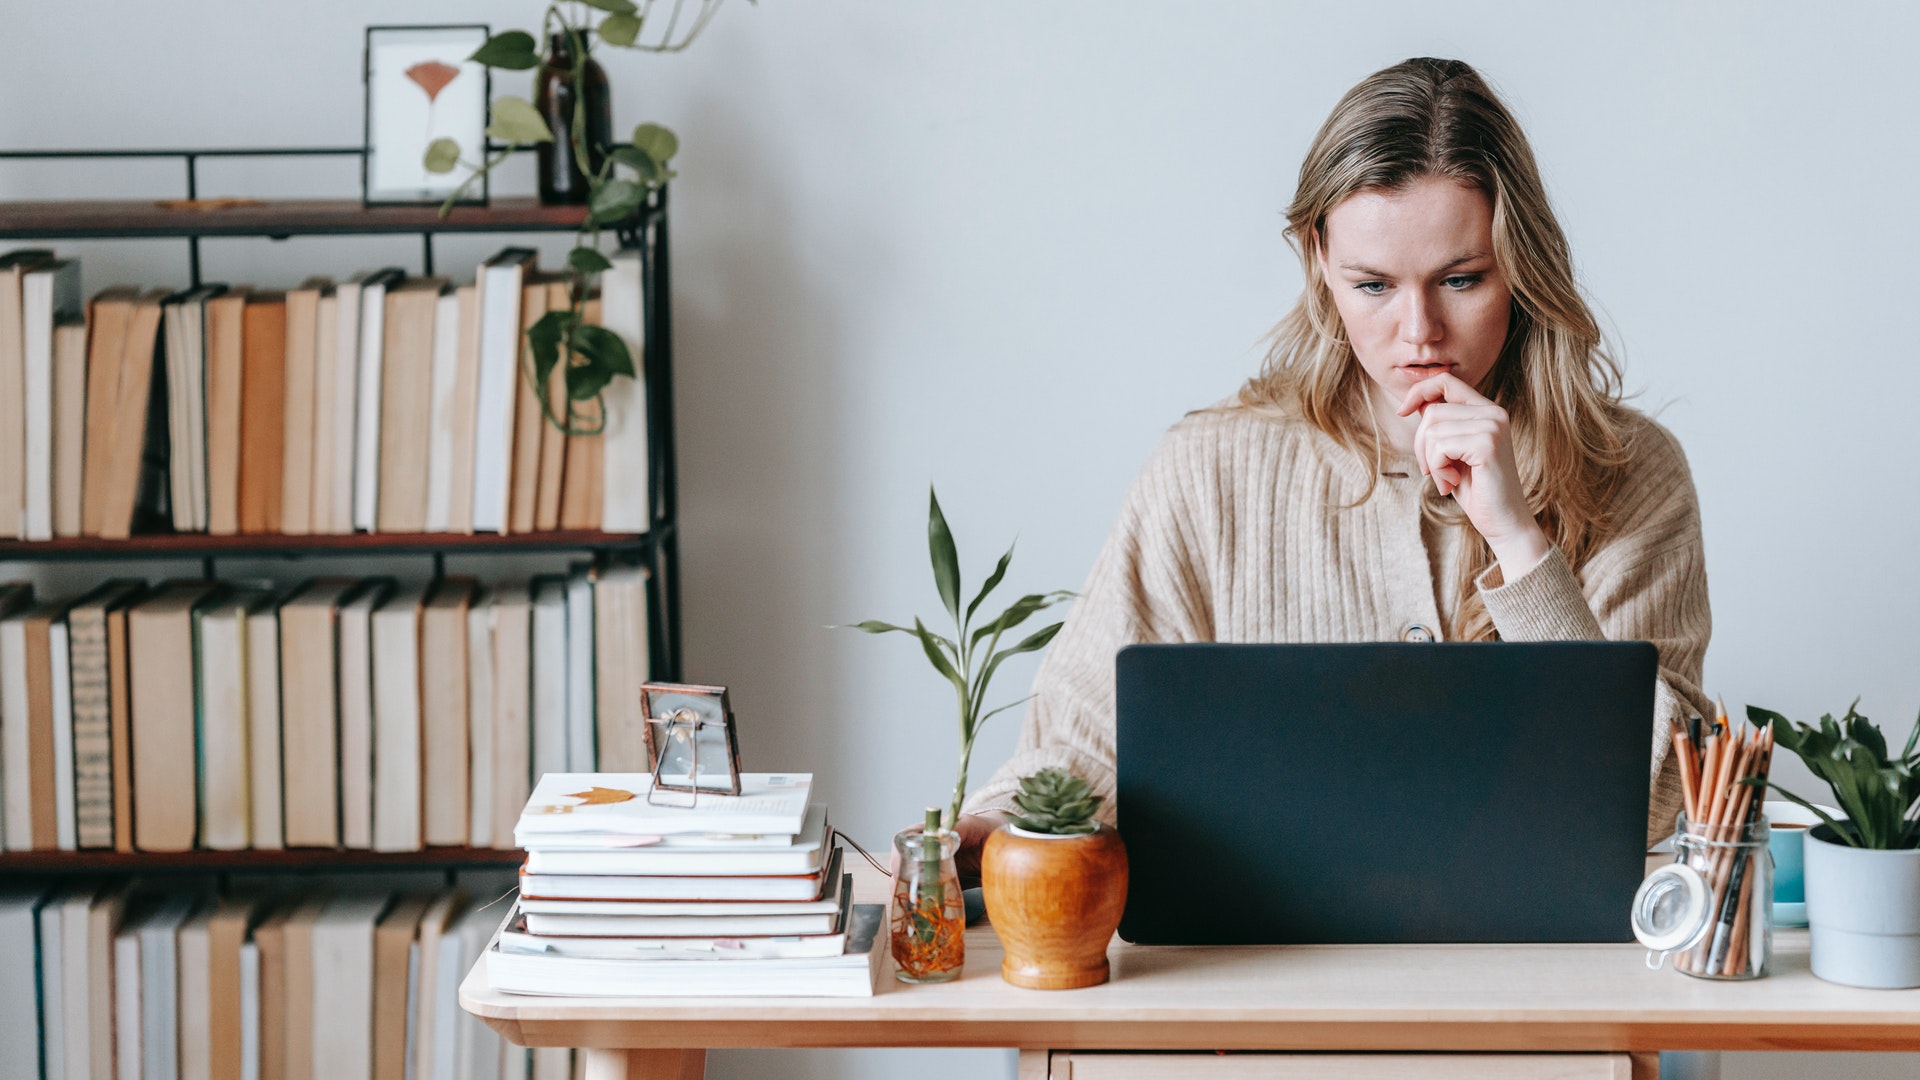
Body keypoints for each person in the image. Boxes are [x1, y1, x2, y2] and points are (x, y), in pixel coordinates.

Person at [953, 56, 1712, 881]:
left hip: (1539, 973)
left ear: (1521, 266)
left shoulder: (1631, 471)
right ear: (1319, 258)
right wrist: (971, 841)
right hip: (1264, 975)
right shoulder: (1208, 472)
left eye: (1461, 279)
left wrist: (1520, 542)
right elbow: (1083, 739)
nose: (1419, 330)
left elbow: (1664, 799)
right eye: (1373, 284)